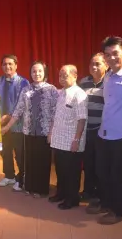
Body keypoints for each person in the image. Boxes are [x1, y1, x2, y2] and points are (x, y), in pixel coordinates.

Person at [2, 61, 58, 198]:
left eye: (39, 71)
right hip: (27, 131)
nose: (36, 74)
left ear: (44, 73)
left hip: (44, 132)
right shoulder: (26, 89)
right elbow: (18, 111)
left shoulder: (52, 90)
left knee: (43, 161)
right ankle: (30, 186)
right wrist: (7, 128)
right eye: (34, 71)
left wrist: (51, 132)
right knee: (30, 161)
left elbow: (55, 113)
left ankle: (41, 189)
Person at [96, 36, 122, 225]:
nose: (112, 58)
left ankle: (118, 211)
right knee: (103, 171)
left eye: (115, 53)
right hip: (104, 132)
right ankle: (107, 203)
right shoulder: (108, 75)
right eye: (108, 55)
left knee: (118, 175)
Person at [49, 65, 88, 210]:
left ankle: (72, 199)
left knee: (72, 172)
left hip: (72, 141)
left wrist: (76, 140)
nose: (62, 78)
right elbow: (56, 116)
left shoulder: (79, 94)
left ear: (75, 76)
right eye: (60, 75)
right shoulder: (60, 93)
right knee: (60, 169)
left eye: (65, 75)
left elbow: (81, 119)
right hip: (59, 139)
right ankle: (61, 193)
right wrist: (51, 133)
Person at [0, 54, 29, 191]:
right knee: (5, 151)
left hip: (18, 124)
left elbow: (22, 104)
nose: (7, 66)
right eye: (4, 64)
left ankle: (22, 178)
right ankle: (9, 175)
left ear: (16, 65)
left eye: (10, 64)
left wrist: (9, 116)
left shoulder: (23, 82)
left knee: (19, 152)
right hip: (2, 124)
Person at [79, 53, 108, 204]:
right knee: (88, 162)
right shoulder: (84, 82)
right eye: (92, 64)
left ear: (106, 65)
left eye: (98, 63)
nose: (94, 67)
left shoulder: (109, 82)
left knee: (100, 164)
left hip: (102, 130)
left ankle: (100, 194)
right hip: (86, 130)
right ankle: (88, 191)